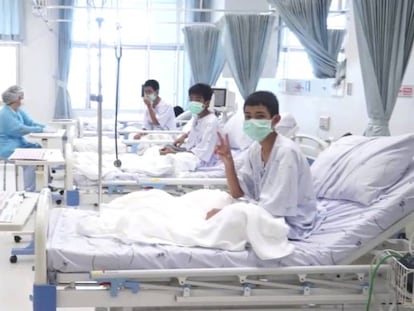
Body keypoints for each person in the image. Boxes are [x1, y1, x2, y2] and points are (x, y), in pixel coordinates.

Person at [207, 91, 318, 240]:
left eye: (260, 116)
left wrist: (228, 213)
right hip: (264, 212)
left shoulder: (286, 153)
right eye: (248, 117)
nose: (252, 121)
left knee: (220, 222)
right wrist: (228, 162)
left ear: (275, 120)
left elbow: (274, 210)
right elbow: (238, 193)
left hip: (288, 223)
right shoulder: (255, 149)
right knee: (209, 202)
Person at [160, 83, 219, 167]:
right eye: (191, 99)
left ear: (207, 102)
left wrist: (174, 153)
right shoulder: (197, 116)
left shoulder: (212, 122)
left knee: (168, 159)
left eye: (198, 100)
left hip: (198, 159)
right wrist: (184, 136)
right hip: (189, 151)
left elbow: (202, 152)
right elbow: (198, 130)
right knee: (160, 150)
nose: (193, 102)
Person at [0, 85, 45, 191]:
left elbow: (30, 122)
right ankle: (29, 191)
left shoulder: (17, 110)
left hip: (18, 144)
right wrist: (40, 130)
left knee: (39, 149)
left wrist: (45, 127)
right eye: (21, 97)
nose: (22, 99)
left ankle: (47, 185)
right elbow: (20, 129)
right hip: (7, 148)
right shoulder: (5, 114)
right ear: (15, 99)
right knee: (31, 162)